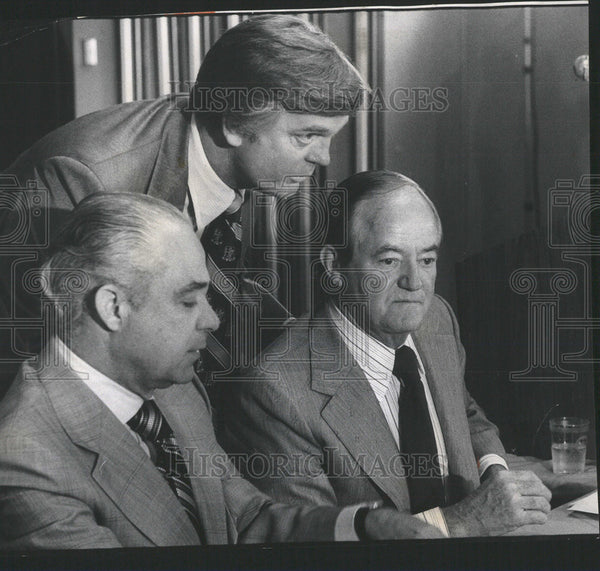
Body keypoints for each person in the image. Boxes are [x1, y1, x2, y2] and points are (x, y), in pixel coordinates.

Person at [0, 192, 447, 549]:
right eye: (188, 300)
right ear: (112, 307)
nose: (212, 321)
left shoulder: (175, 390)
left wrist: (367, 525)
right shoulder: (26, 463)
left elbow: (247, 520)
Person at [0, 14, 368, 392]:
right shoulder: (86, 180)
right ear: (233, 124)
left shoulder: (244, 163)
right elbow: (50, 363)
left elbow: (223, 287)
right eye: (307, 136)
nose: (323, 157)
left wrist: (308, 341)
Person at [219, 170, 552, 537]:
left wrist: (494, 472)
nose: (414, 283)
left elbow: (466, 413)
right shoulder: (276, 390)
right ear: (334, 267)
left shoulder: (436, 319)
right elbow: (311, 547)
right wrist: (463, 521)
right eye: (390, 261)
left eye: (426, 260)